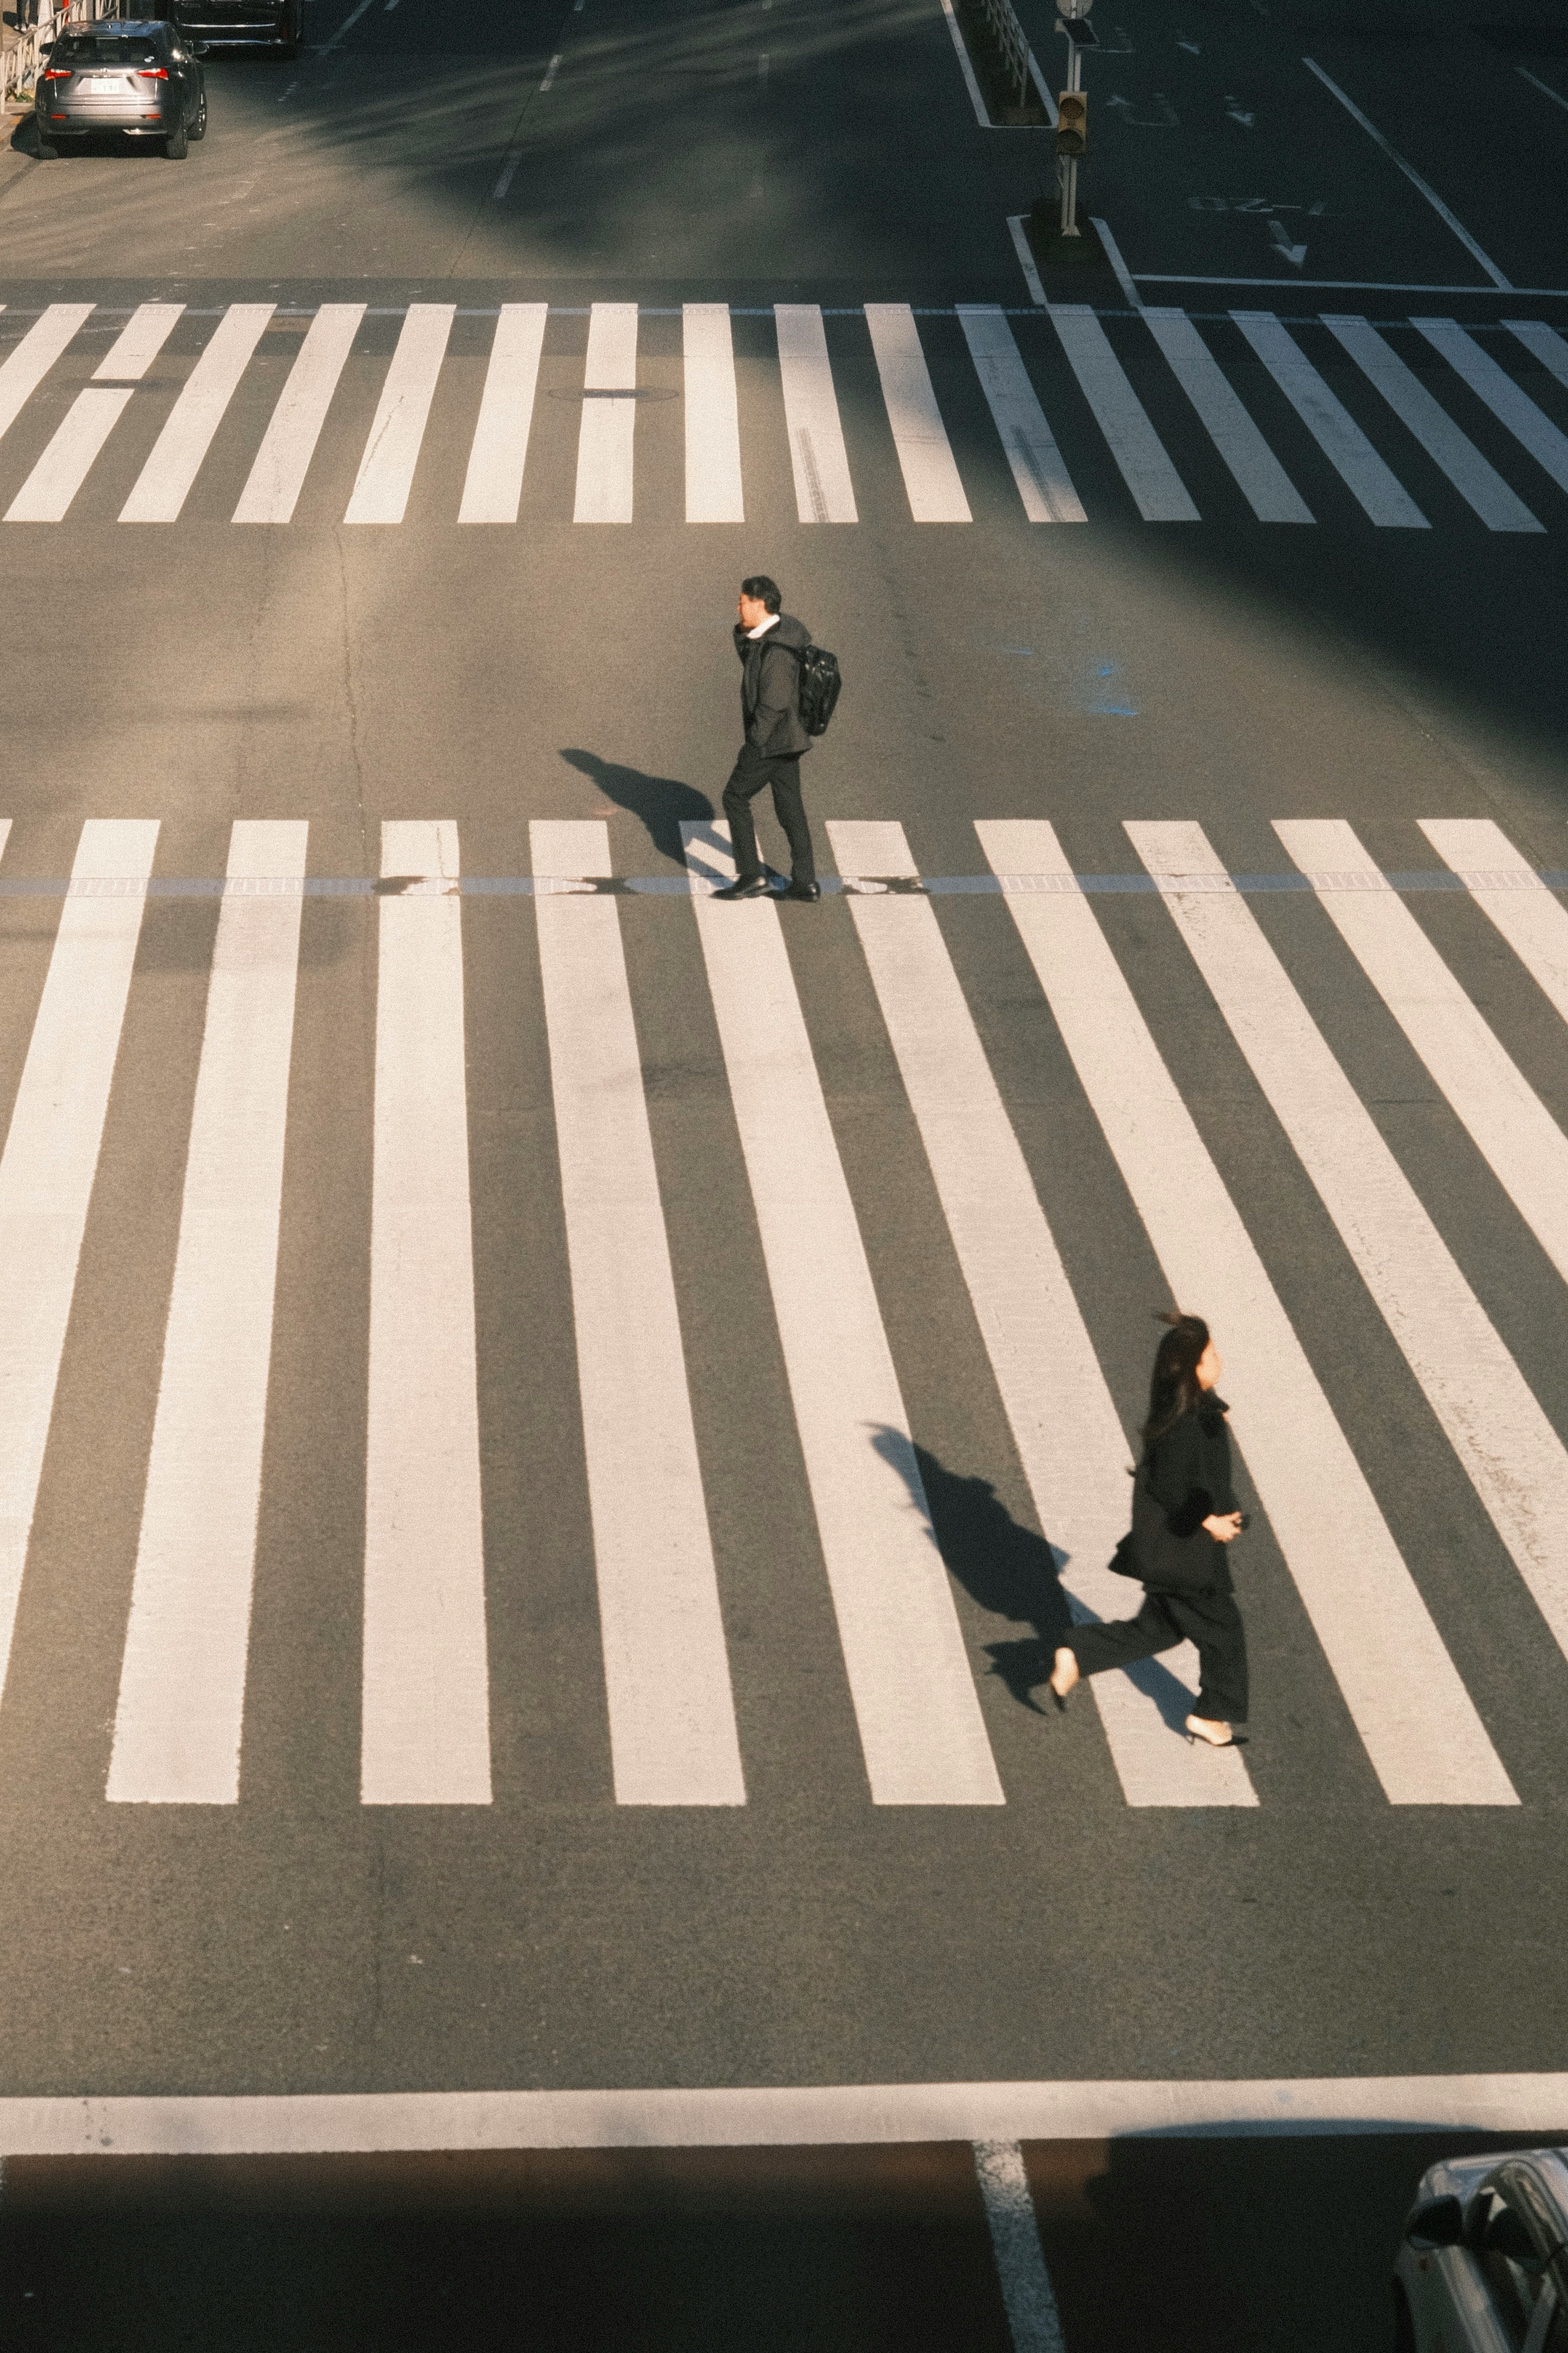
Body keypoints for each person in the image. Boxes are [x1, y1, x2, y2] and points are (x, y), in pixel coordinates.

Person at [1048, 1313, 1248, 1748]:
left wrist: (1218, 1414)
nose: (1219, 1360)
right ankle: (1211, 1715)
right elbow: (1170, 1486)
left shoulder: (1192, 1412)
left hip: (1177, 1553)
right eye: (1212, 1354)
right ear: (1194, 1369)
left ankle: (1078, 1653)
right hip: (1186, 1555)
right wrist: (1209, 1521)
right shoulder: (1186, 1426)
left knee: (1159, 1629)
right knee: (1224, 1632)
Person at [713, 575, 820, 904]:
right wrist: (744, 631)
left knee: (734, 797)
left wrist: (754, 744)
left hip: (771, 741)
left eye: (743, 601)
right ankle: (806, 882)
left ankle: (751, 876)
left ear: (760, 604)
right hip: (790, 739)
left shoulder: (777, 652)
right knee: (790, 808)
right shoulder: (774, 634)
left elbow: (773, 703)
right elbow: (747, 655)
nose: (738, 606)